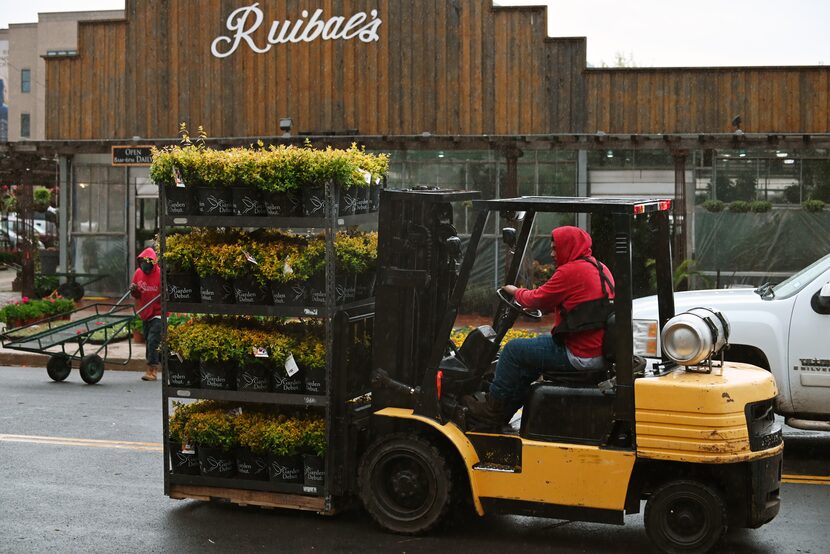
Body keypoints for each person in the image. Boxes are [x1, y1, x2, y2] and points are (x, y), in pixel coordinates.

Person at [463, 226, 615, 428]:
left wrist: (515, 291)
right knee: (531, 352)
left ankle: (492, 409)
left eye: (555, 248)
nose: (552, 254)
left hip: (580, 355)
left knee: (512, 350)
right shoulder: (599, 268)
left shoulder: (571, 271)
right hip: (594, 350)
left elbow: (537, 299)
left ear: (569, 247)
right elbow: (575, 304)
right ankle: (507, 407)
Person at [130, 247, 162, 381]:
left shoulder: (160, 274)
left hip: (158, 313)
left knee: (152, 340)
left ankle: (152, 370)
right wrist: (133, 290)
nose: (145, 265)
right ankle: (161, 361)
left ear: (153, 263)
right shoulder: (138, 273)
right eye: (142, 262)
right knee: (150, 341)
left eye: (147, 262)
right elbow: (137, 294)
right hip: (145, 311)